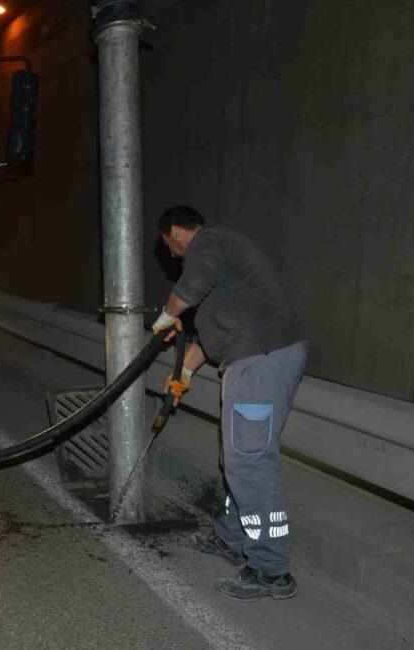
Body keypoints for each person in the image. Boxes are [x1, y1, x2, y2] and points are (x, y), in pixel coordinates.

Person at [151, 205, 307, 600]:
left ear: (175, 232)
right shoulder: (227, 272)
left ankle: (271, 569)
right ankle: (232, 537)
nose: (172, 255)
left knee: (250, 462)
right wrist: (182, 375)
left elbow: (190, 287)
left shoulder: (211, 242)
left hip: (258, 360)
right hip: (256, 357)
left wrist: (165, 317)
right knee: (237, 458)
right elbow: (209, 340)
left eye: (169, 247)